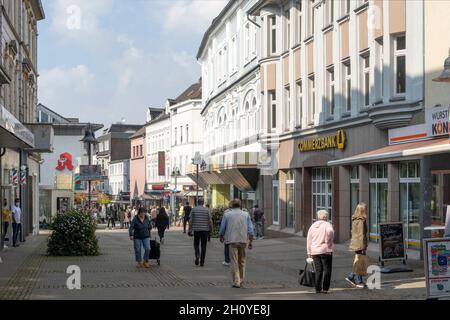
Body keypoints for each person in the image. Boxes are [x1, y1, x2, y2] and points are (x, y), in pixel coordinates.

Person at [219, 199, 254, 288]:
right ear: (240, 205)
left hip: (232, 241)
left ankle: (236, 281)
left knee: (234, 261)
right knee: (242, 261)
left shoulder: (227, 214)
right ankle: (241, 281)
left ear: (231, 205)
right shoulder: (246, 214)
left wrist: (221, 236)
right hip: (243, 241)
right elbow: (250, 229)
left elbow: (222, 228)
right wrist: (250, 241)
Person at [306, 210, 335, 294]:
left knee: (318, 270)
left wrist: (309, 252)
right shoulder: (327, 224)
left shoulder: (313, 226)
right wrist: (328, 242)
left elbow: (309, 240)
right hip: (326, 250)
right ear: (326, 217)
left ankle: (317, 288)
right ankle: (325, 289)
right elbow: (330, 232)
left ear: (318, 217)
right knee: (327, 269)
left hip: (315, 251)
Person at [345, 202, 369, 289]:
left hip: (357, 243)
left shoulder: (356, 219)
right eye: (365, 208)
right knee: (360, 262)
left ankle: (352, 277)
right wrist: (363, 246)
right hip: (359, 243)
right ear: (362, 210)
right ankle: (358, 280)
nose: (367, 210)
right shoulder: (360, 220)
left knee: (359, 261)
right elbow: (361, 235)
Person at [189, 198, 212, 267]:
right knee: (204, 245)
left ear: (197, 202)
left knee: (196, 244)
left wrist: (190, 229)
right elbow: (210, 221)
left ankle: (197, 255)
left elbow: (190, 220)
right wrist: (211, 229)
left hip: (196, 230)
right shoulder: (207, 210)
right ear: (203, 203)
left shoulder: (193, 209)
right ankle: (202, 261)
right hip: (205, 230)